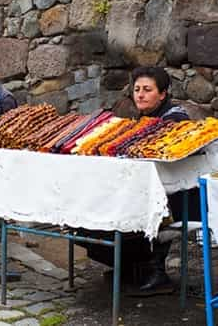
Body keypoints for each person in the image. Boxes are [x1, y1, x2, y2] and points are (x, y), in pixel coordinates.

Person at [80, 67, 192, 296]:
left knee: (119, 217)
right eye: (137, 90)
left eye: (147, 90)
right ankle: (132, 268)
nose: (140, 95)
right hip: (143, 191)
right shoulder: (142, 118)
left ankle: (154, 272)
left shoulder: (175, 118)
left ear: (162, 94)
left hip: (176, 198)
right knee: (88, 217)